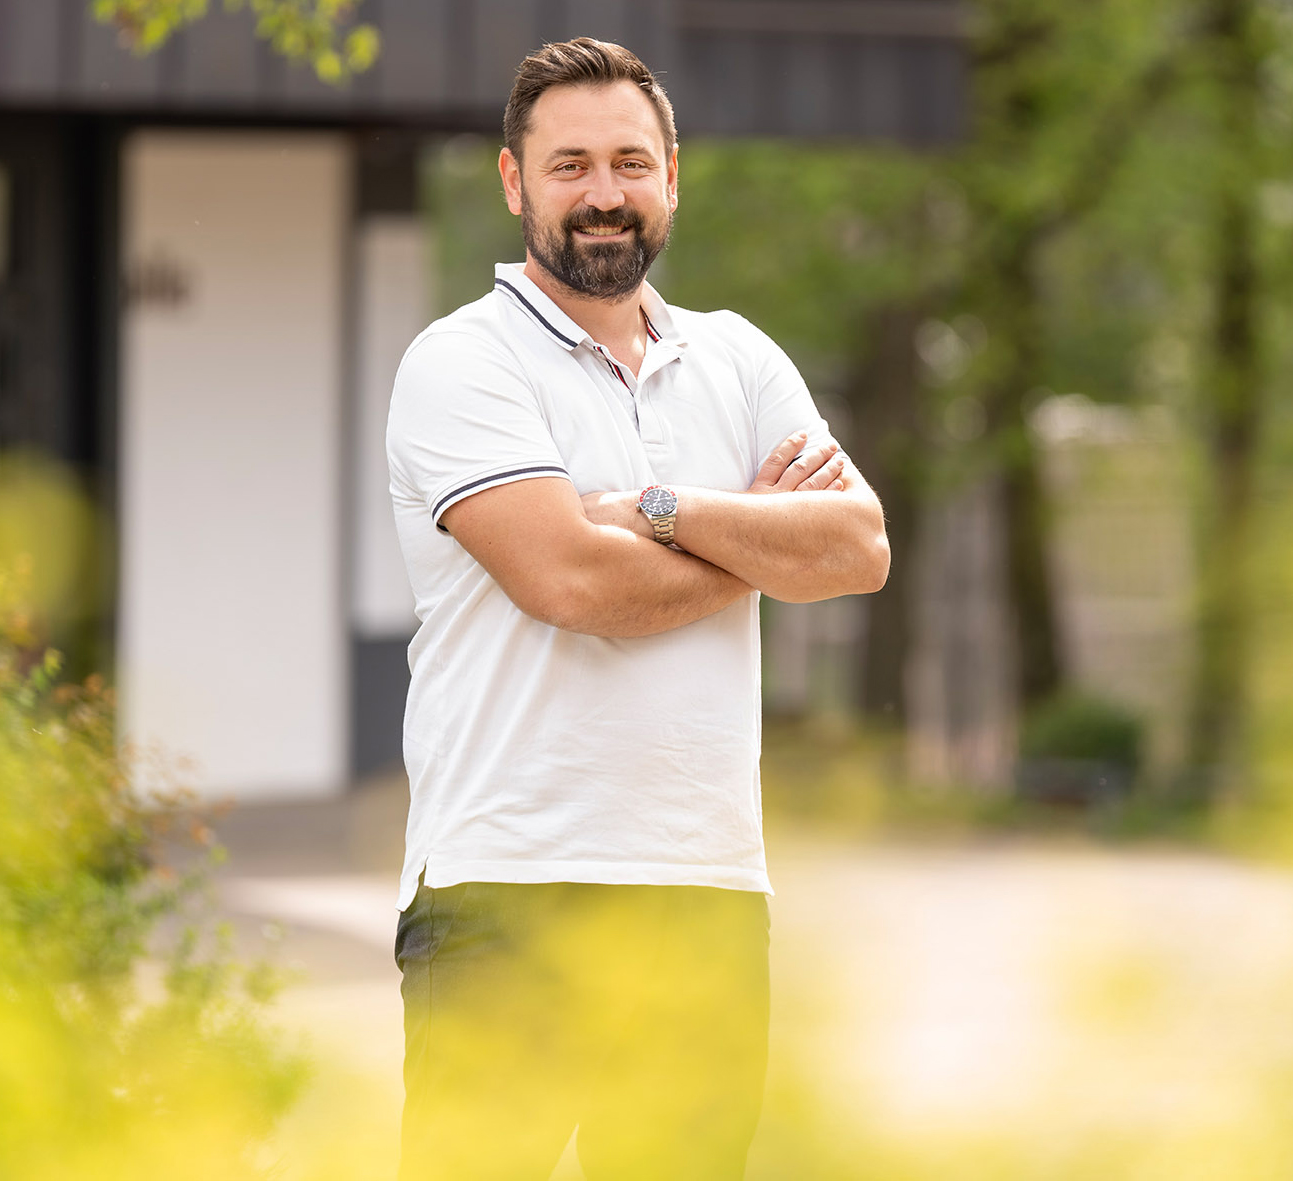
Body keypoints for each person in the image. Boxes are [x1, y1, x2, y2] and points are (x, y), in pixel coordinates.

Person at [385, 36, 890, 1179]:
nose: (601, 195)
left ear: (672, 172)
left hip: (705, 893)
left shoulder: (739, 360)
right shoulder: (462, 363)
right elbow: (570, 582)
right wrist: (760, 542)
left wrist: (657, 506)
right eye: (568, 167)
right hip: (505, 890)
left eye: (627, 161)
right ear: (513, 182)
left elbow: (856, 546)